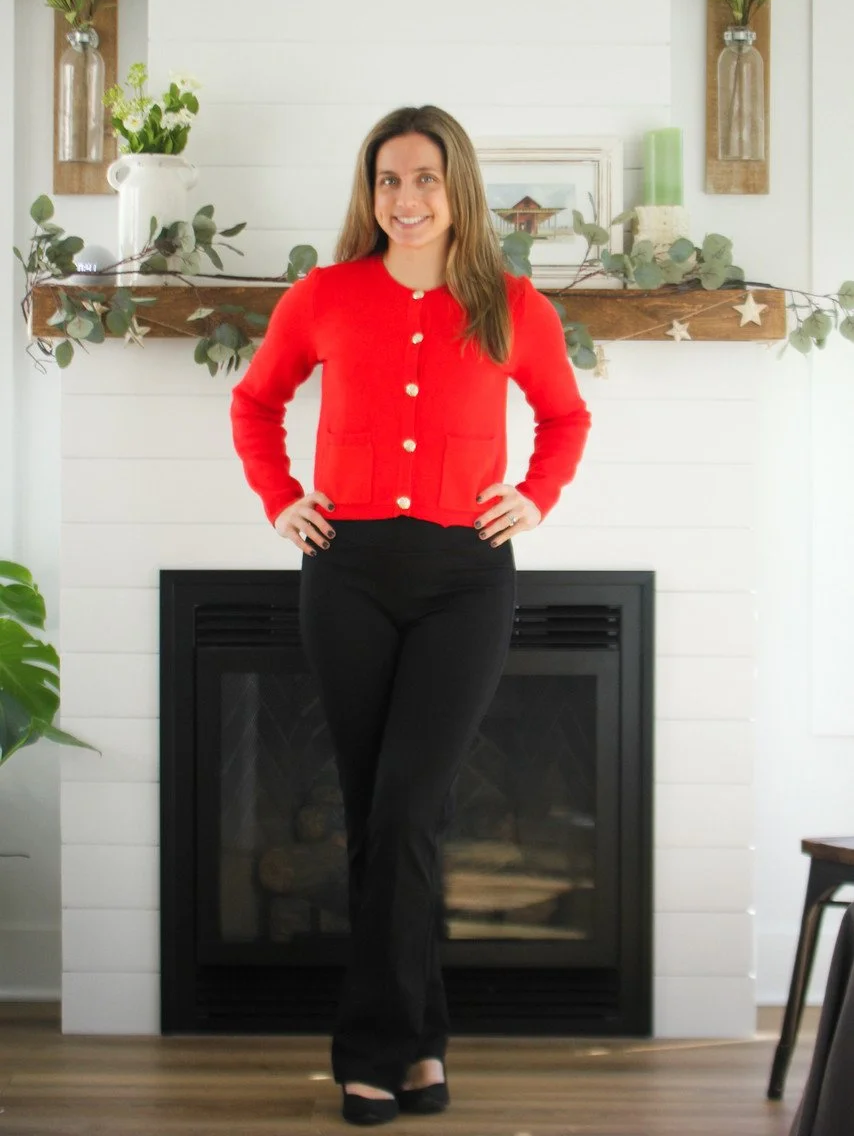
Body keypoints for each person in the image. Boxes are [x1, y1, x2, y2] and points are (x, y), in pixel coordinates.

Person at [230, 104, 591, 1126]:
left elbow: (564, 417)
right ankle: (420, 1043)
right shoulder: (324, 296)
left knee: (404, 809)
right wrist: (280, 496)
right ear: (369, 192)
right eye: (388, 179)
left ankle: (371, 1051)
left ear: (456, 185)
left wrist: (537, 492)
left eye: (424, 177)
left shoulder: (512, 304)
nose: (406, 198)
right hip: (342, 571)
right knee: (381, 817)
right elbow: (254, 404)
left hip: (464, 577)